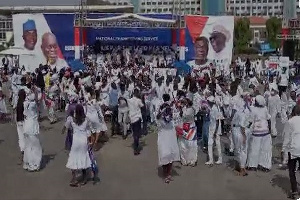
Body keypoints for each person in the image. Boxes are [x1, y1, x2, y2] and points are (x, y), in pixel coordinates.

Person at [63, 104, 92, 187]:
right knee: (83, 157)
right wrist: (90, 141)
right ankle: (84, 178)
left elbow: (65, 127)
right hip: (83, 141)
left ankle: (74, 178)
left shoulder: (71, 119)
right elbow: (89, 131)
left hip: (75, 141)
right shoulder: (86, 119)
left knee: (74, 158)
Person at [157, 94, 180, 183]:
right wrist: (162, 111)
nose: (167, 111)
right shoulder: (160, 119)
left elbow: (178, 115)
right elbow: (157, 117)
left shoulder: (172, 117)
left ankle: (168, 174)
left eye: (168, 110)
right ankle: (165, 173)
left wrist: (177, 106)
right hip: (163, 138)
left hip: (171, 138)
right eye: (166, 110)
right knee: (164, 155)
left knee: (171, 156)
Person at [247, 95, 272, 172]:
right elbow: (269, 119)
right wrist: (270, 129)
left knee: (254, 149)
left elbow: (250, 121)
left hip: (257, 132)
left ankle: (252, 165)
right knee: (265, 150)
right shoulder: (265, 109)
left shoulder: (253, 109)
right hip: (266, 132)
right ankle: (265, 166)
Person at [282, 105, 300, 199]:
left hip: (293, 149)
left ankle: (295, 192)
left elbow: (287, 138)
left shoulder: (290, 121)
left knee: (292, 171)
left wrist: (283, 150)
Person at [23, 92, 42, 172]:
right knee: (35, 146)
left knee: (28, 146)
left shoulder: (25, 103)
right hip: (33, 127)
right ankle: (35, 164)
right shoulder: (33, 104)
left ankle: (28, 163)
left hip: (27, 125)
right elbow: (38, 100)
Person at [177, 98, 198, 167]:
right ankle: (184, 160)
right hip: (184, 128)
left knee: (191, 145)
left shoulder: (191, 109)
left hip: (191, 128)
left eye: (183, 103)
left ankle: (192, 161)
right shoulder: (184, 109)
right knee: (183, 145)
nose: (182, 104)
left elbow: (185, 115)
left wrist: (182, 109)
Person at [205, 96, 222, 165]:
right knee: (211, 143)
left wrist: (215, 131)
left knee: (216, 143)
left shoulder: (215, 109)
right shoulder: (211, 108)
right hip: (212, 127)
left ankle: (218, 159)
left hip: (216, 129)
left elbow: (218, 121)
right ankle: (211, 159)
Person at [127, 89, 144, 155]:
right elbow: (143, 106)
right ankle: (136, 148)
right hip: (137, 118)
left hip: (132, 119)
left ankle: (136, 145)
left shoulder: (129, 100)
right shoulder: (138, 100)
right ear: (137, 93)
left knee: (134, 133)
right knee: (137, 133)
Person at [16, 89, 26, 164]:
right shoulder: (25, 103)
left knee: (21, 138)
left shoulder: (18, 103)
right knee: (26, 138)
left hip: (19, 122)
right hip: (25, 122)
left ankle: (23, 154)